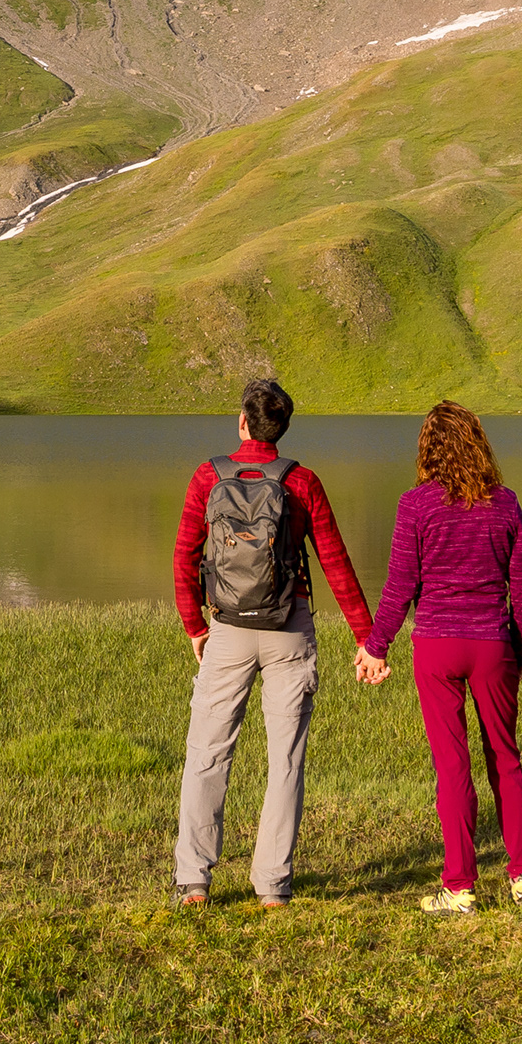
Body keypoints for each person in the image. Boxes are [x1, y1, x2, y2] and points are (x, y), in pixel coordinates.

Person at [171, 375, 373, 908]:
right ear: (281, 428)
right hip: (289, 630)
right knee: (285, 759)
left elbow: (184, 557)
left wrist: (195, 625)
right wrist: (366, 637)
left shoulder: (205, 477)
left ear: (242, 421)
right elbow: (334, 561)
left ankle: (194, 882)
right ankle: (273, 888)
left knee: (207, 754)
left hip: (228, 629)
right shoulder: (302, 482)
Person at [355, 399, 522, 913]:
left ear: (427, 451)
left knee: (452, 765)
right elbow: (520, 588)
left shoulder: (415, 505)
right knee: (505, 757)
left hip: (436, 645)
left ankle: (459, 887)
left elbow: (400, 586)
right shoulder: (506, 503)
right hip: (492, 643)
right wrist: (518, 648)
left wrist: (376, 646)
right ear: (478, 444)